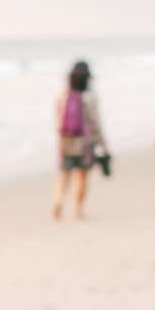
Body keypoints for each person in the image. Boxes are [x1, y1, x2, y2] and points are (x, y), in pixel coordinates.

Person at [53, 60, 106, 219]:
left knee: (63, 174)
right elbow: (95, 122)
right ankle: (77, 210)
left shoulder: (62, 95)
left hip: (65, 141)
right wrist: (101, 143)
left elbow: (58, 119)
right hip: (84, 143)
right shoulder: (89, 96)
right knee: (82, 176)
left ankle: (58, 201)